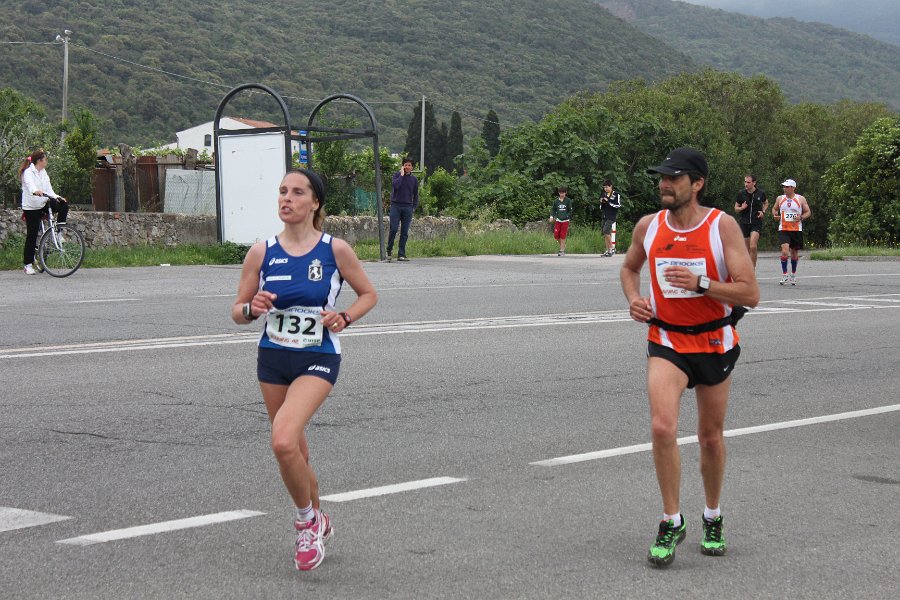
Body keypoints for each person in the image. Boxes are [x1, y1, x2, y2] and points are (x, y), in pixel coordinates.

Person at [620, 147, 759, 568]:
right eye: (662, 177)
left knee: (710, 437)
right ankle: (671, 519)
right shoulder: (649, 226)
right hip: (667, 340)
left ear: (696, 184)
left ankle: (712, 515)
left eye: (674, 178)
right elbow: (629, 268)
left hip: (714, 340)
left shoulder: (723, 227)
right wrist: (634, 299)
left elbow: (750, 293)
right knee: (663, 427)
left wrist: (702, 283)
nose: (664, 184)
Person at [232, 168, 377, 571]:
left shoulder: (335, 249)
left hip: (319, 355)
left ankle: (306, 524)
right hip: (273, 357)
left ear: (315, 203)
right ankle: (320, 516)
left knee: (281, 441)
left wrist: (344, 318)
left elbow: (369, 294)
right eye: (282, 191)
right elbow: (238, 311)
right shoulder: (261, 252)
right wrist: (252, 308)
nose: (287, 198)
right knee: (296, 450)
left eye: (297, 192)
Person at [19, 149, 69, 275]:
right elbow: (30, 186)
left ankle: (58, 233)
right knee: (32, 234)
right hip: (31, 206)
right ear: (39, 161)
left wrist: (57, 197)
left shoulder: (43, 172)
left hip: (43, 202)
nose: (46, 161)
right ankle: (28, 264)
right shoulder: (28, 172)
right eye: (45, 159)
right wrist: (36, 191)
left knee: (63, 205)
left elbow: (49, 189)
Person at [772, 179, 811, 285]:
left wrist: (801, 217)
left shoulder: (800, 199)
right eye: (784, 186)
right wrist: (775, 215)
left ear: (793, 188)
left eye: (787, 186)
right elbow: (774, 209)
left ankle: (793, 275)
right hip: (784, 228)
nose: (784, 188)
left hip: (796, 229)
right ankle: (784, 274)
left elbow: (808, 212)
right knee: (784, 251)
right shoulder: (780, 198)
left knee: (794, 254)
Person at [387, 157, 419, 261]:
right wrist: (401, 175)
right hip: (395, 206)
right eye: (405, 165)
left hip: (407, 207)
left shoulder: (414, 179)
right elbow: (396, 186)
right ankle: (389, 251)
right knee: (394, 229)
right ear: (403, 166)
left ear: (412, 167)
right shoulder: (397, 175)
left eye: (409, 165)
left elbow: (416, 194)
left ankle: (401, 254)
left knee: (404, 232)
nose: (407, 167)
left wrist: (413, 207)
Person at [734, 174, 768, 268]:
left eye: (748, 182)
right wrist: (742, 207)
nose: (746, 184)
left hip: (756, 222)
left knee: (753, 246)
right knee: (746, 249)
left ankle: (752, 271)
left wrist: (763, 211)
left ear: (754, 183)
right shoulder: (741, 193)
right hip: (744, 223)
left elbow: (766, 202)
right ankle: (747, 269)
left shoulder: (760, 193)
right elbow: (736, 208)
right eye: (745, 182)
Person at [599, 180, 622, 256]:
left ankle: (612, 248)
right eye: (604, 187)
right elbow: (601, 207)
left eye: (607, 187)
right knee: (605, 233)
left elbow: (618, 205)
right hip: (604, 215)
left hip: (612, 216)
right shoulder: (603, 194)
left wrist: (608, 202)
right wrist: (602, 202)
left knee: (606, 230)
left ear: (611, 186)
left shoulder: (616, 194)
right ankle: (608, 250)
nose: (605, 189)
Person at [549, 186, 572, 256]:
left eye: (563, 193)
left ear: (565, 193)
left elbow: (570, 211)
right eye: (560, 193)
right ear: (558, 193)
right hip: (558, 220)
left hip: (565, 221)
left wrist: (566, 216)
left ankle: (562, 250)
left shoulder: (568, 200)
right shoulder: (556, 201)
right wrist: (551, 217)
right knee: (556, 235)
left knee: (562, 234)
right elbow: (553, 210)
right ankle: (563, 246)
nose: (562, 194)